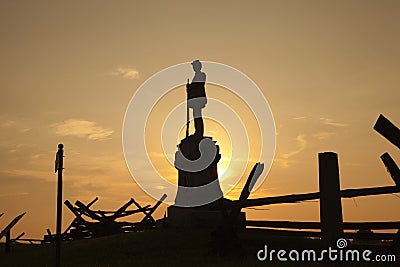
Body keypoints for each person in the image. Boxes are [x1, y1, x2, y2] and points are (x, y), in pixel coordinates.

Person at [186, 60, 207, 137]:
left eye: (195, 66)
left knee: (198, 115)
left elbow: (198, 85)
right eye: (193, 66)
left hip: (198, 99)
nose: (194, 68)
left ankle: (199, 132)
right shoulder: (196, 76)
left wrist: (190, 86)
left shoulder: (202, 75)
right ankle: (197, 131)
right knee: (196, 115)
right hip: (195, 100)